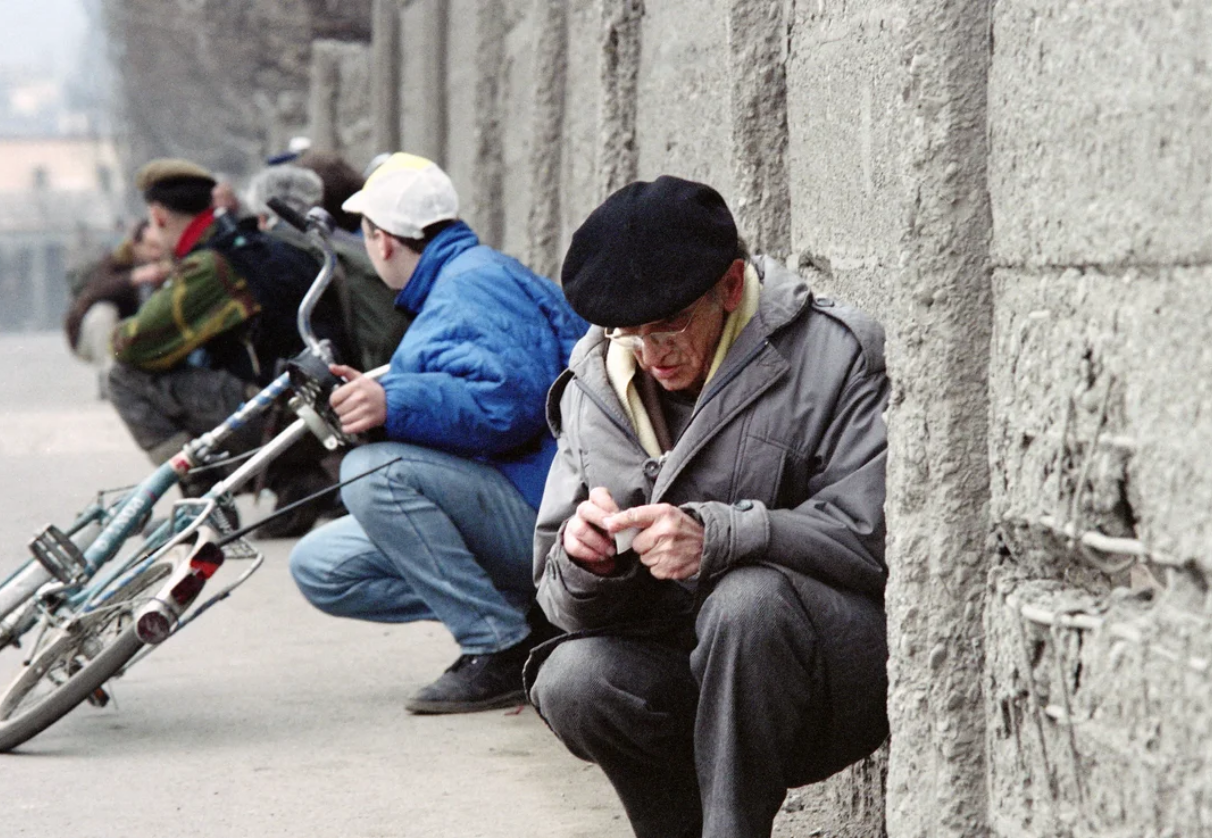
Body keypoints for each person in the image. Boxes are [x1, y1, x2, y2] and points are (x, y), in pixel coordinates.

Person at [528, 175, 890, 838]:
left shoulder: (833, 352)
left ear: (729, 286)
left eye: (667, 327)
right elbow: (555, 601)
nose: (648, 354)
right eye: (625, 332)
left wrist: (721, 535)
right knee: (573, 677)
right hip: (681, 663)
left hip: (823, 674)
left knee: (745, 601)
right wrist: (586, 565)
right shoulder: (593, 381)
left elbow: (873, 536)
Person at [287, 152, 587, 714]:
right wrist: (381, 405)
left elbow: (512, 402)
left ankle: (500, 647)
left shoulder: (472, 283)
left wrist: (394, 401)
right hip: (516, 495)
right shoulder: (459, 281)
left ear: (381, 240)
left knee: (370, 474)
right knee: (321, 567)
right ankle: (530, 621)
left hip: (549, 509)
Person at [107, 158, 348, 500]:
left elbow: (130, 344)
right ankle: (292, 480)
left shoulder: (213, 265)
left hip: (280, 418)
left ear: (159, 215)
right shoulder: (245, 242)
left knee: (123, 376)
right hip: (305, 409)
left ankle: (198, 483)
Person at [62, 219, 170, 396]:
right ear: (136, 245)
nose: (156, 254)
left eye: (160, 247)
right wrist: (133, 278)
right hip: (102, 340)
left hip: (144, 340)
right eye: (151, 247)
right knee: (102, 311)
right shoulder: (116, 262)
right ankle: (109, 377)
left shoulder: (172, 264)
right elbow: (93, 292)